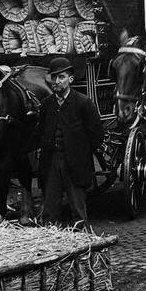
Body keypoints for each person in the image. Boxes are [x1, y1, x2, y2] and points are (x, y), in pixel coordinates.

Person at [38, 56, 103, 227]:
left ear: (70, 79)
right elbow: (41, 132)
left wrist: (81, 152)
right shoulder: (47, 104)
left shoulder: (83, 103)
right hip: (52, 162)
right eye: (54, 77)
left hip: (75, 162)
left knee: (78, 212)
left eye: (61, 77)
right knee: (50, 212)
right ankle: (52, 248)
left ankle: (82, 246)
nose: (57, 81)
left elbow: (97, 135)